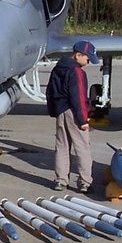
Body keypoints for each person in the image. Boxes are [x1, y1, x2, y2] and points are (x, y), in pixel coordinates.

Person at [47, 40, 98, 193]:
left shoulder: (58, 68)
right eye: (88, 58)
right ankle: (85, 182)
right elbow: (79, 98)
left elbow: (50, 91)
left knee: (62, 146)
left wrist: (53, 111)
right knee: (82, 146)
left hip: (60, 111)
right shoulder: (77, 72)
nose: (88, 62)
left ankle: (61, 180)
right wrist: (83, 120)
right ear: (78, 55)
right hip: (74, 112)